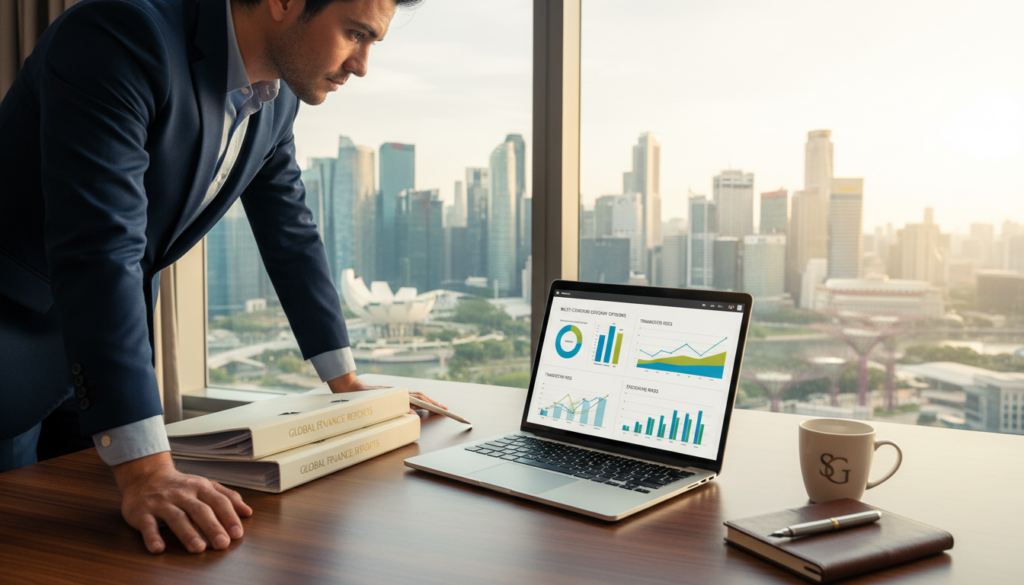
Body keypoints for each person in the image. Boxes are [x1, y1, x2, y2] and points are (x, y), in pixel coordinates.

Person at [0, 0, 442, 555]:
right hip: (13, 337)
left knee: (105, 547)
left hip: (107, 348)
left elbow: (290, 233)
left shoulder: (275, 103)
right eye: (355, 34)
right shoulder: (121, 34)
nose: (362, 65)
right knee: (25, 541)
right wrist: (145, 470)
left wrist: (345, 381)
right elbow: (99, 247)